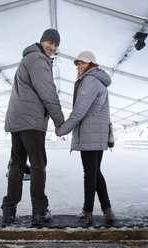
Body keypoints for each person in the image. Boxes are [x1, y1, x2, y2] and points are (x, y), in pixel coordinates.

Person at [2, 29, 64, 227]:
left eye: (56, 46)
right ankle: (40, 211)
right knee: (38, 164)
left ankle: (9, 211)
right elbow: (48, 92)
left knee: (17, 164)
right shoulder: (38, 59)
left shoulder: (27, 58)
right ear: (42, 40)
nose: (52, 48)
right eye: (50, 43)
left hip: (18, 120)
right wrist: (59, 121)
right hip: (31, 121)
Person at [56, 51, 115, 225]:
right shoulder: (99, 80)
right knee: (95, 172)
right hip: (97, 133)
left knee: (90, 174)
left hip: (90, 134)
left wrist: (62, 130)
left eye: (83, 63)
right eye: (77, 64)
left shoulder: (89, 81)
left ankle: (87, 212)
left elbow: (79, 111)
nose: (79, 66)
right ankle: (108, 210)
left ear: (92, 64)